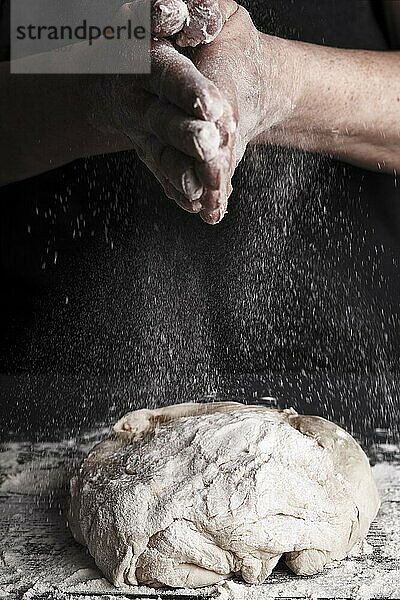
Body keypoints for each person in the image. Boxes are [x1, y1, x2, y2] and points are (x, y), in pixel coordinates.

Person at [0, 1, 399, 433]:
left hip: (348, 383)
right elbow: (31, 31)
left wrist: (279, 82)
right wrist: (92, 90)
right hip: (51, 388)